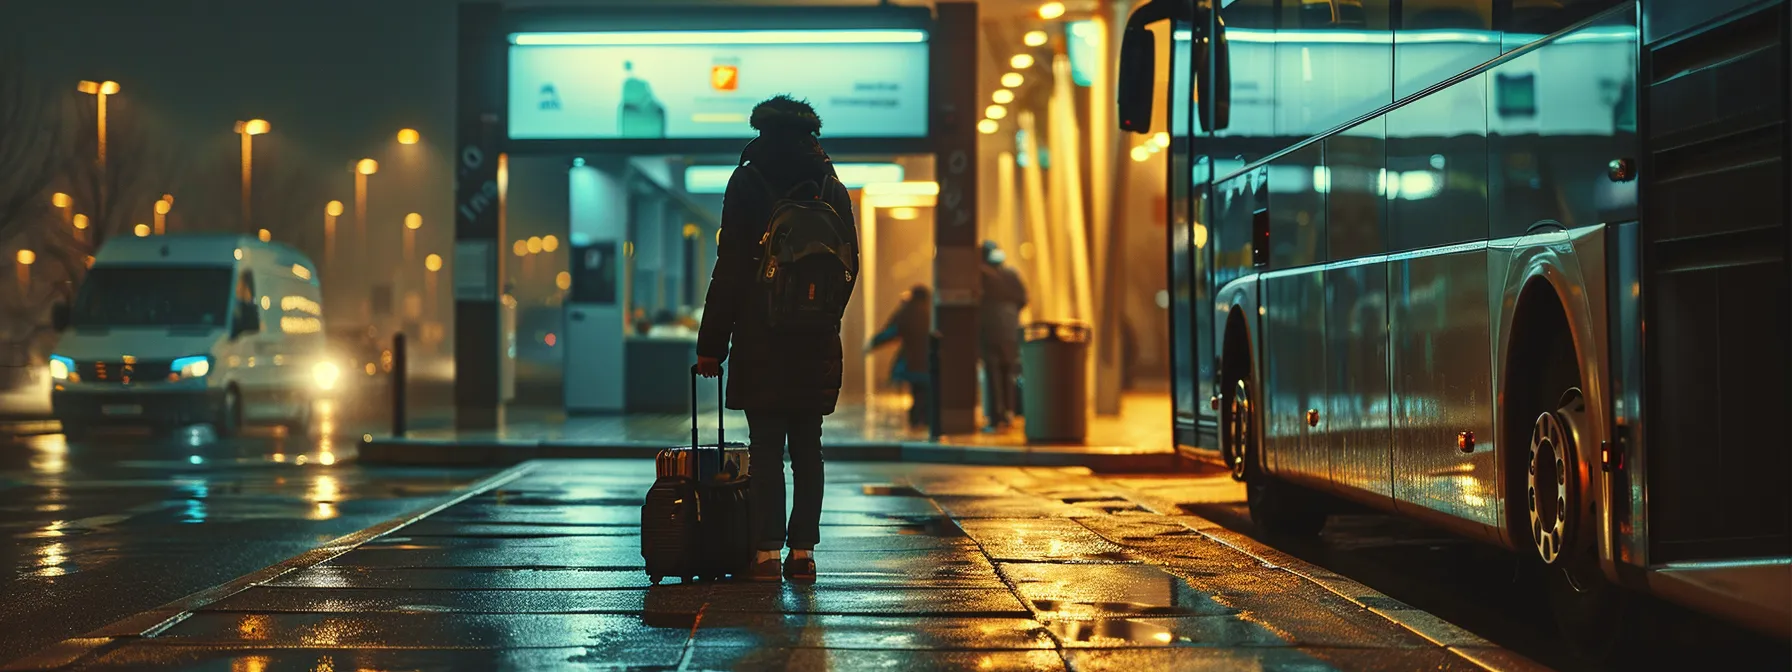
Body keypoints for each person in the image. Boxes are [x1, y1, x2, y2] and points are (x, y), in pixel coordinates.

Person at [696, 95, 857, 583]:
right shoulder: (832, 185)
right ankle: (803, 551)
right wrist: (825, 316)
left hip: (759, 334)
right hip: (815, 341)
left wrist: (712, 344)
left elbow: (730, 267)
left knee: (766, 447)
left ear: (761, 130)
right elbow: (850, 267)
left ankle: (766, 551)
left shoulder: (746, 180)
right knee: (809, 445)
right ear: (812, 133)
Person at [866, 285, 934, 428]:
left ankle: (916, 422)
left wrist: (872, 344)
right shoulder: (931, 312)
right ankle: (923, 422)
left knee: (917, 392)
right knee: (923, 393)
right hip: (928, 363)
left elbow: (891, 332)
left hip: (911, 363)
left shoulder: (908, 312)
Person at [978, 240, 1028, 431]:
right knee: (1009, 372)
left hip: (989, 331)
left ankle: (994, 417)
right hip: (1010, 331)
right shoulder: (1011, 275)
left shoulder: (982, 276)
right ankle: (1008, 413)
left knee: (993, 374)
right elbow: (1023, 300)